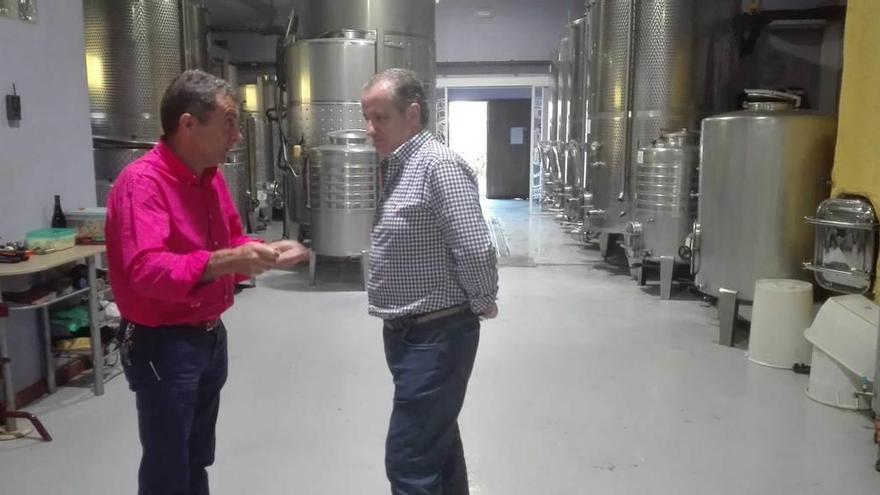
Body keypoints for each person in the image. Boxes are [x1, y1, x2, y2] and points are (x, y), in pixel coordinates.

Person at [105, 69, 309, 495]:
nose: (236, 137)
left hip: (209, 338)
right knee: (167, 467)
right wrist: (222, 261)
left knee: (197, 457)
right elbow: (145, 269)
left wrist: (265, 251)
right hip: (164, 346)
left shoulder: (210, 175)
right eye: (229, 123)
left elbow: (231, 241)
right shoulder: (142, 184)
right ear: (187, 125)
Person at [361, 68, 499, 495]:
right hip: (409, 334)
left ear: (413, 115)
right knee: (437, 446)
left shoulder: (438, 165)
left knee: (409, 460)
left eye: (380, 118)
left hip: (437, 336)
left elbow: (475, 246)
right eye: (366, 117)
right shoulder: (401, 165)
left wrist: (482, 299)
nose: (370, 129)